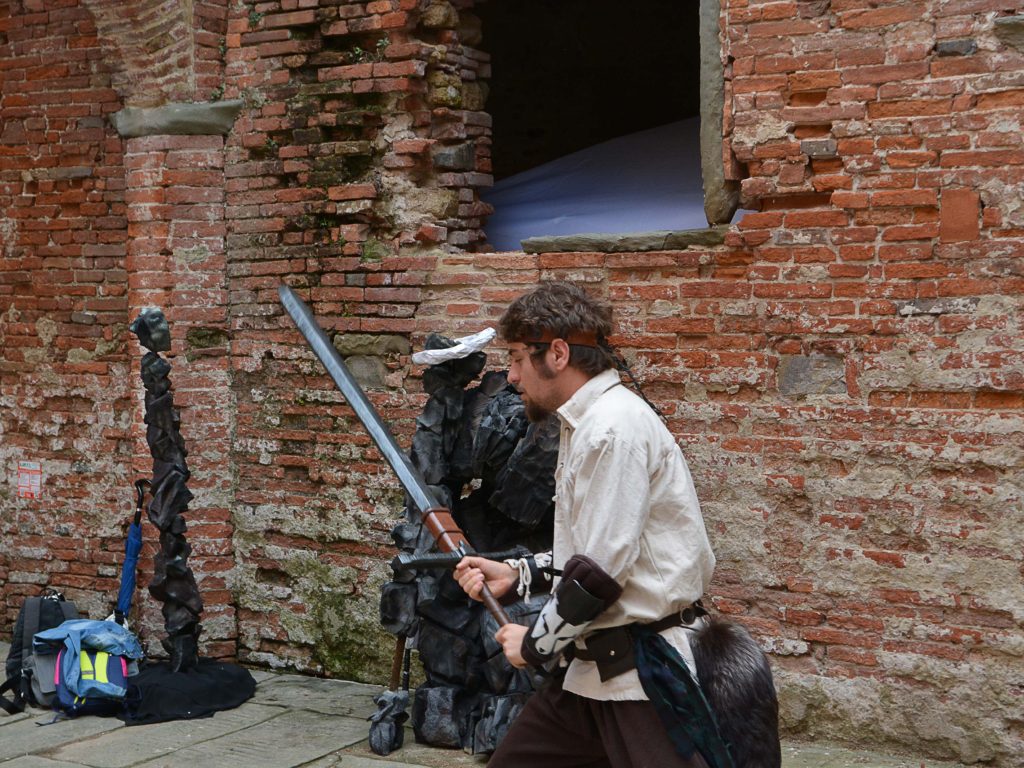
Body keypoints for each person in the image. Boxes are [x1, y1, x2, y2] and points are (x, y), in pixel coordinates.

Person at [456, 280, 719, 768]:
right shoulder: (588, 423)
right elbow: (596, 548)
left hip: (642, 676)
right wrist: (518, 574)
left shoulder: (611, 429)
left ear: (557, 354)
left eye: (517, 357)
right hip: (590, 672)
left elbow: (598, 575)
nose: (511, 375)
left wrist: (534, 645)